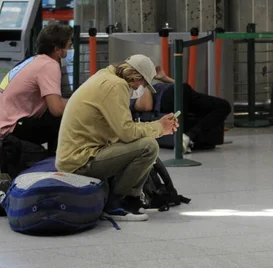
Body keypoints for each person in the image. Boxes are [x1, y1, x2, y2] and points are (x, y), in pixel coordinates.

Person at [56, 55, 179, 221]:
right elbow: (127, 132)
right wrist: (159, 128)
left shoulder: (105, 77)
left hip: (76, 156)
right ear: (136, 77)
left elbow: (121, 131)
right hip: (81, 160)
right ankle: (118, 204)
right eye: (142, 83)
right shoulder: (116, 85)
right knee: (148, 146)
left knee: (141, 142)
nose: (140, 87)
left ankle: (132, 199)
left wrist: (156, 126)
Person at [0, 23, 72, 155]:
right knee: (66, 118)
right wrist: (81, 103)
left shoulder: (32, 60)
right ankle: (58, 163)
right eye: (68, 47)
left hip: (5, 122)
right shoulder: (49, 65)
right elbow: (56, 109)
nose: (70, 50)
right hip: (11, 128)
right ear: (57, 49)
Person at [132, 66, 231, 151]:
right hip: (168, 97)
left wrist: (164, 78)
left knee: (223, 105)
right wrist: (144, 80)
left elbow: (180, 87)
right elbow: (147, 106)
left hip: (182, 90)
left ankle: (188, 137)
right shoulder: (129, 97)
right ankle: (188, 137)